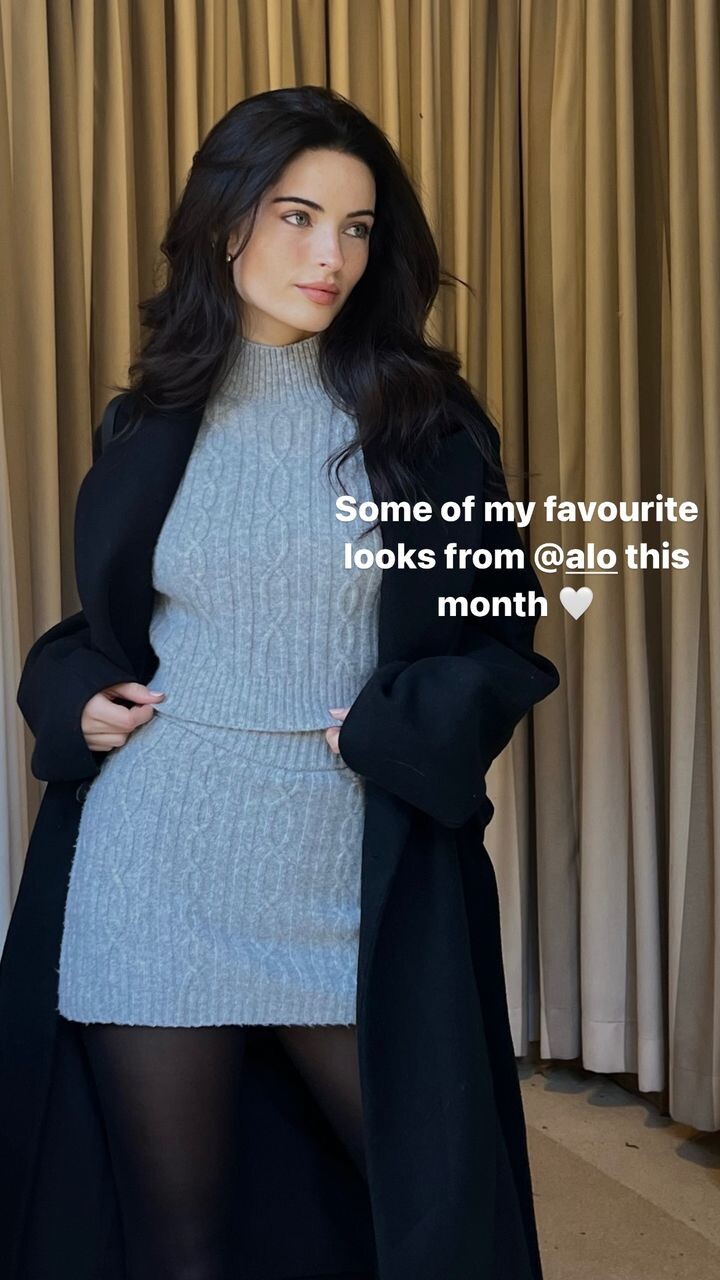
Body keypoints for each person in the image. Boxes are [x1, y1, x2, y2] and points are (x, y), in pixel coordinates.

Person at [1, 85, 560, 1280]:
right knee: (178, 1243)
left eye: (356, 228)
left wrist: (400, 727)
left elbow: (501, 643)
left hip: (344, 863)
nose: (330, 257)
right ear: (225, 224)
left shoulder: (424, 424)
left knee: (430, 1221)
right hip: (156, 854)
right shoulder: (147, 417)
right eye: (298, 216)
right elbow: (115, 626)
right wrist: (71, 692)